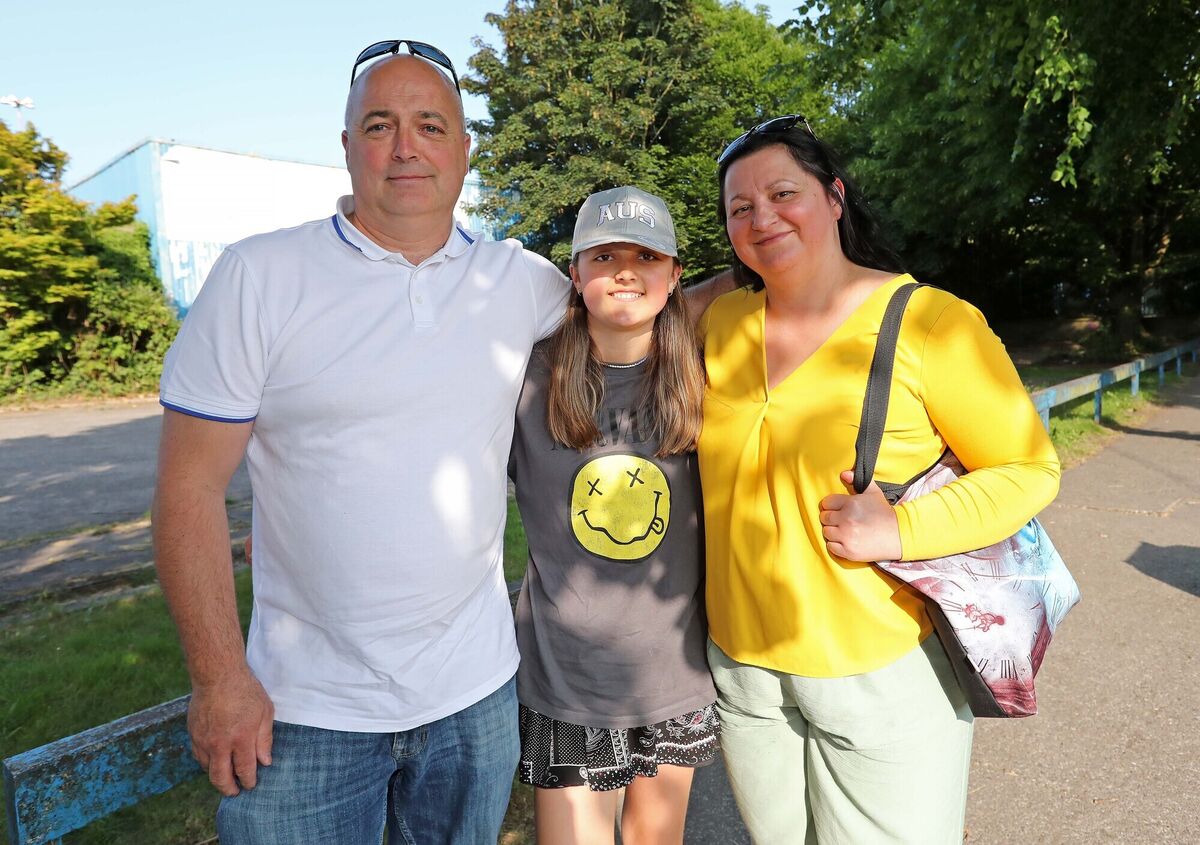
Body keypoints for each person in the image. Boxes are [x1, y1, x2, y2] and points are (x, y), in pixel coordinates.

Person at [152, 41, 733, 844]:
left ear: (464, 150)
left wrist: (784, 264)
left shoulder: (517, 281)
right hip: (307, 711)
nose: (405, 145)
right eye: (380, 124)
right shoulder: (260, 277)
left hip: (475, 699)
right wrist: (218, 678)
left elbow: (639, 298)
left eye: (431, 124)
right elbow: (186, 489)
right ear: (347, 144)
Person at [697, 115, 1061, 843]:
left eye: (782, 193)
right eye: (741, 208)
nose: (762, 217)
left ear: (834, 197)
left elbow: (1029, 467)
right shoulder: (722, 321)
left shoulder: (931, 323)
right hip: (744, 672)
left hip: (879, 670)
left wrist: (902, 526)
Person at [508, 186, 718, 845]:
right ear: (574, 273)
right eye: (604, 255)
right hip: (565, 678)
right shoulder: (525, 379)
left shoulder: (706, 379)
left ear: (674, 273)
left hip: (673, 674)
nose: (626, 269)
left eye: (646, 255)